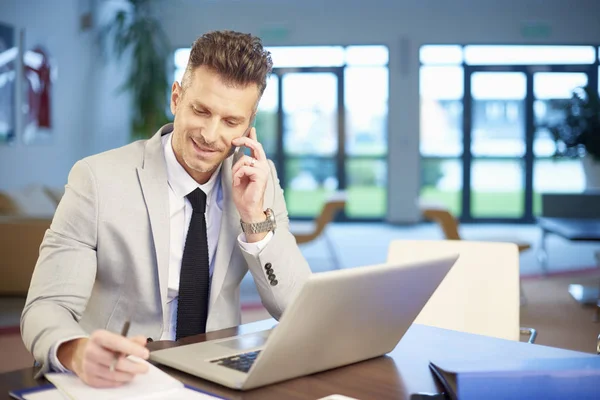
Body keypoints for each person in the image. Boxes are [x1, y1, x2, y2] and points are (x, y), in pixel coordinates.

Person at [21, 30, 311, 388]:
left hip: (214, 375)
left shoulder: (258, 183)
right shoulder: (96, 179)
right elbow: (45, 305)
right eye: (201, 110)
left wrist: (254, 219)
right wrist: (76, 350)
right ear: (177, 98)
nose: (209, 134)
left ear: (248, 128)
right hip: (120, 374)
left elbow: (298, 309)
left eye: (231, 121)